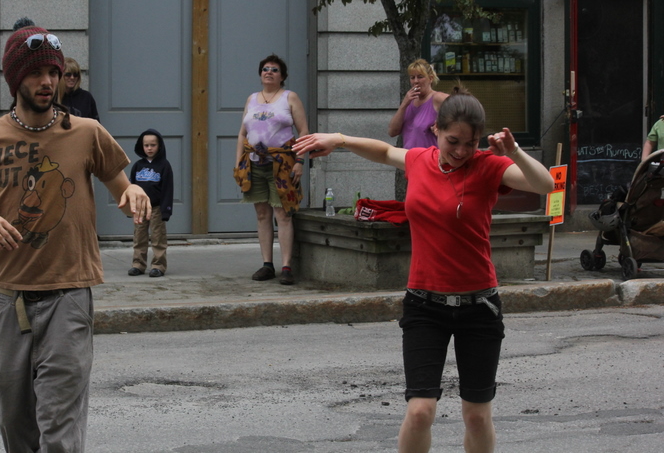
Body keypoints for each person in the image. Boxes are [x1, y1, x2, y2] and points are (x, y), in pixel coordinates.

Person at [294, 87, 554, 453]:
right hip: (424, 305)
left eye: (470, 143)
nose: (461, 151)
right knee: (419, 411)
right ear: (436, 130)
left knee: (477, 416)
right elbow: (384, 151)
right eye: (453, 141)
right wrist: (339, 139)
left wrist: (513, 152)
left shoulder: (489, 167)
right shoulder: (420, 160)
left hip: (479, 306)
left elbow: (545, 184)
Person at [0, 18, 151, 452]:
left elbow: (122, 190)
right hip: (7, 298)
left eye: (53, 72)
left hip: (68, 296)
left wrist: (133, 192)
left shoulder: (87, 132)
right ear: (15, 79)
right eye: (37, 73)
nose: (48, 82)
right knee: (9, 411)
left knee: (60, 424)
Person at [234, 54, 308, 286]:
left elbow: (304, 131)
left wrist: (300, 161)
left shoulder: (289, 97)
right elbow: (242, 134)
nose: (269, 72)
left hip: (282, 164)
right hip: (254, 163)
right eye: (265, 69)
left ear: (282, 76)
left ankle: (286, 266)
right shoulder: (252, 99)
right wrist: (238, 164)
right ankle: (267, 264)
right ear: (260, 74)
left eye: (274, 70)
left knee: (282, 214)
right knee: (262, 214)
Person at [387, 59, 449, 200]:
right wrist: (404, 104)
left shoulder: (437, 98)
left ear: (430, 78)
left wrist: (443, 125)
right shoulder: (410, 102)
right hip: (412, 165)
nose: (416, 81)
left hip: (433, 164)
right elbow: (392, 131)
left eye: (420, 77)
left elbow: (462, 110)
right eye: (412, 77)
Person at [127, 128, 174, 278]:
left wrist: (166, 210)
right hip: (140, 208)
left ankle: (158, 265)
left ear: (159, 146)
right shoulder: (137, 166)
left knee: (158, 238)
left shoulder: (164, 165)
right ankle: (138, 264)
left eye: (153, 145)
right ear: (141, 146)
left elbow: (168, 189)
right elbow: (131, 187)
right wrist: (130, 207)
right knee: (139, 237)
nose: (149, 148)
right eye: (146, 145)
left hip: (156, 208)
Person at [58, 57, 100, 121]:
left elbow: (96, 122)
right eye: (68, 74)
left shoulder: (86, 97)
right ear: (61, 76)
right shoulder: (54, 97)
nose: (72, 77)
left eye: (75, 75)